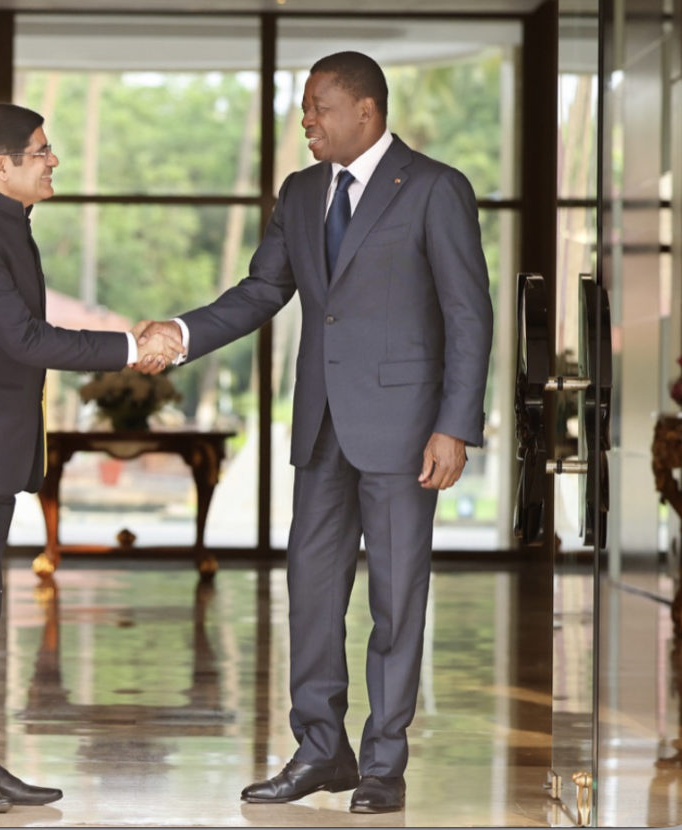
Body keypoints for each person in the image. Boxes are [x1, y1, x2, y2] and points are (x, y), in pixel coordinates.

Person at [140, 51, 492, 813]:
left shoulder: (435, 188)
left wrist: (455, 425)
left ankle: (384, 764)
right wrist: (181, 333)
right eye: (304, 108)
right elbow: (262, 290)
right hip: (322, 427)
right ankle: (320, 750)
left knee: (396, 600)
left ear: (365, 111)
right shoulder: (301, 193)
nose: (306, 121)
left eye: (318, 107)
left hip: (406, 430)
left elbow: (468, 313)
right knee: (311, 591)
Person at [0, 102, 182, 814]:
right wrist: (130, 348)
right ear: (1, 166)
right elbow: (25, 338)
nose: (53, 161)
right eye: (42, 151)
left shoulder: (4, 225)